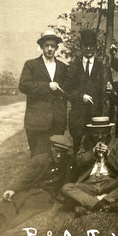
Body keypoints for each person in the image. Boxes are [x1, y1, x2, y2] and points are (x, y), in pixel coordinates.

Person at [0, 135, 74, 236]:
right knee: (12, 200)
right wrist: (13, 189)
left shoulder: (68, 163)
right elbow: (26, 177)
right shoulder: (40, 160)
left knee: (27, 208)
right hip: (32, 188)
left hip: (46, 195)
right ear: (51, 148)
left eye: (62, 153)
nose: (59, 156)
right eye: (56, 151)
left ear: (66, 153)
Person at [61, 117, 118, 216]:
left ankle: (91, 204)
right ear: (91, 132)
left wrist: (108, 154)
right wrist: (92, 152)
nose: (100, 136)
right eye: (96, 133)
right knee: (66, 188)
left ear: (109, 131)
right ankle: (105, 204)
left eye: (103, 133)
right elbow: (78, 162)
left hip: (109, 181)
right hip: (89, 183)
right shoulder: (86, 142)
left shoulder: (117, 143)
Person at [19, 29, 68, 157]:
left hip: (57, 121)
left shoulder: (63, 67)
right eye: (47, 46)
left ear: (57, 47)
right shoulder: (31, 65)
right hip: (37, 122)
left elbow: (67, 89)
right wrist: (47, 86)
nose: (50, 49)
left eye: (53, 46)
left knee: (57, 157)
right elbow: (23, 85)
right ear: (41, 47)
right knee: (39, 158)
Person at [66, 30, 114, 154]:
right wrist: (80, 96)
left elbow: (109, 94)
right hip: (78, 119)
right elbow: (68, 90)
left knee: (96, 149)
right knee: (78, 150)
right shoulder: (73, 67)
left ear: (95, 47)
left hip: (96, 119)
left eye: (91, 45)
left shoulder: (103, 68)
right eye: (85, 45)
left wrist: (110, 89)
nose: (88, 48)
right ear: (81, 46)